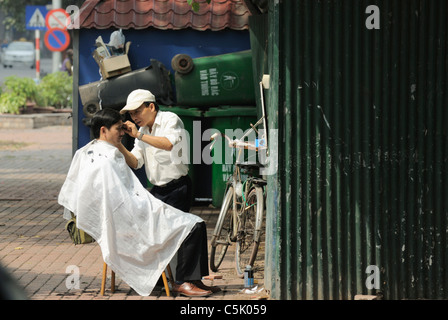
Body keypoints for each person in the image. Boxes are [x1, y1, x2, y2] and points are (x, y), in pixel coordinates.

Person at [58, 108, 217, 297]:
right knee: (194, 225)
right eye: (118, 128)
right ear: (103, 130)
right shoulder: (108, 158)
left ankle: (189, 280)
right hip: (132, 218)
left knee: (186, 222)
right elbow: (126, 197)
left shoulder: (85, 152)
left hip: (117, 219)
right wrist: (151, 208)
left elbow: (82, 192)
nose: (122, 132)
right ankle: (183, 282)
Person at [118, 89, 192, 212]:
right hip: (157, 190)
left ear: (151, 107)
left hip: (177, 188)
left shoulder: (170, 119)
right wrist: (118, 144)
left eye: (137, 112)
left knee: (174, 229)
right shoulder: (142, 130)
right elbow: (136, 162)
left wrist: (138, 136)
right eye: (131, 114)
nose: (134, 117)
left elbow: (168, 144)